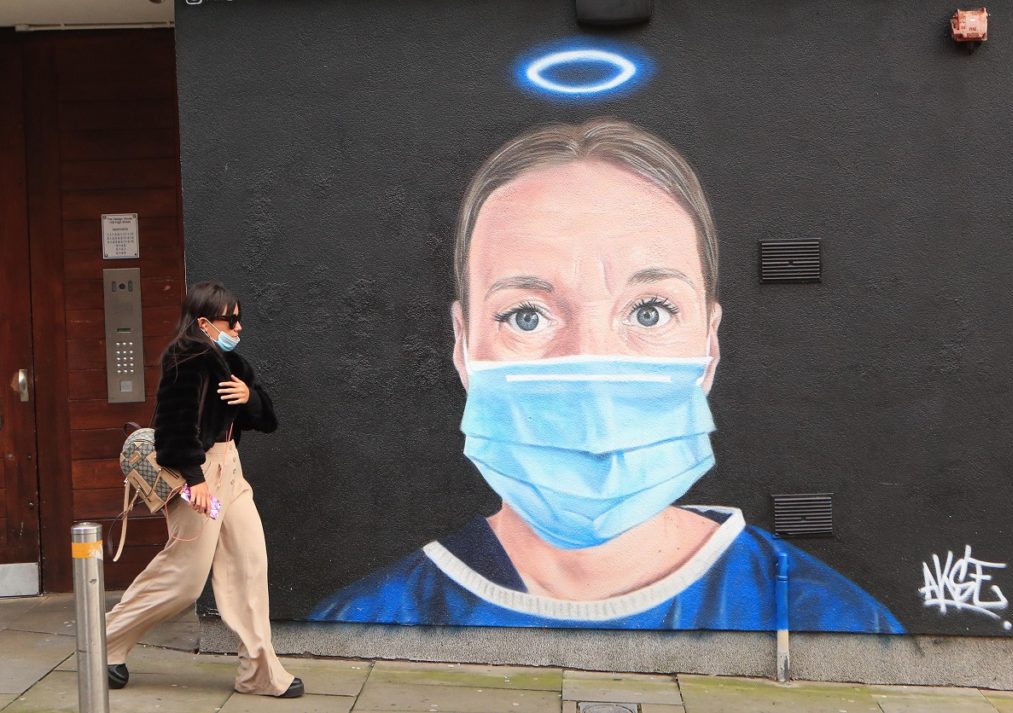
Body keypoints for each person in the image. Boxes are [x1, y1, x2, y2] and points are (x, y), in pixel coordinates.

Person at [312, 118, 903, 633]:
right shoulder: (367, 620)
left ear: (710, 342)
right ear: (463, 347)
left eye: (649, 311)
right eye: (526, 315)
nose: (591, 373)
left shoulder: (829, 619)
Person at [105, 281, 304, 698]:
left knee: (250, 565)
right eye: (230, 320)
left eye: (239, 319)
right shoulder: (186, 358)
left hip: (232, 472)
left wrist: (250, 397)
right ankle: (103, 643)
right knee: (185, 578)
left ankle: (258, 673)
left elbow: (267, 419)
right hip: (199, 473)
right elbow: (173, 428)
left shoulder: (232, 364)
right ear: (203, 323)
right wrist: (194, 481)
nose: (238, 327)